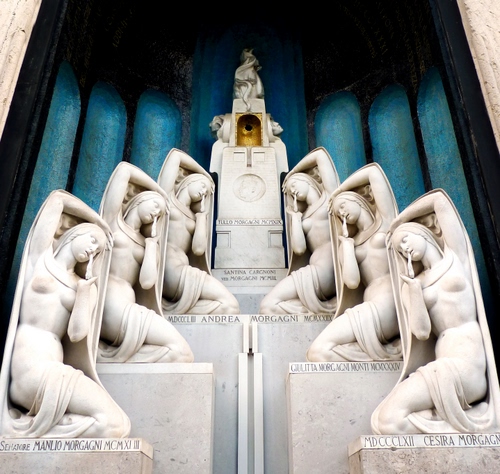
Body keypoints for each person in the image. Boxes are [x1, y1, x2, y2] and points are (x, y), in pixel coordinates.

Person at [0, 190, 130, 438]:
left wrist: (84, 292)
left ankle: (37, 429)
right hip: (29, 368)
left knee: (117, 425)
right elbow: (57, 200)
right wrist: (99, 222)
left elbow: (77, 334)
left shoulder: (83, 286)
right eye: (93, 240)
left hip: (55, 369)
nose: (94, 250)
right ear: (75, 234)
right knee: (113, 424)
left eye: (99, 250)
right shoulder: (41, 260)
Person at [371, 189, 500, 433]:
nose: (404, 249)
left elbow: (439, 200)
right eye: (399, 250)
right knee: (386, 421)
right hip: (442, 364)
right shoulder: (413, 284)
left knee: (388, 420)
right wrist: (414, 291)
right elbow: (421, 332)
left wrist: (399, 221)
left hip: (468, 365)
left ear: (423, 233)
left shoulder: (455, 257)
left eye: (405, 240)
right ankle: (461, 417)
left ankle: (465, 418)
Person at [98, 161, 194, 362]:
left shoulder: (148, 244)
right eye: (155, 206)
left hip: (129, 307)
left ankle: (110, 357)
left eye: (161, 214)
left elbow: (147, 282)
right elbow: (124, 170)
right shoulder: (113, 224)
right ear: (140, 200)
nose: (156, 214)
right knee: (180, 351)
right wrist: (160, 192)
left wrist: (151, 245)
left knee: (181, 353)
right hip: (111, 306)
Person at [307, 163, 401, 361]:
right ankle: (386, 352)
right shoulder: (349, 244)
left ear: (357, 200)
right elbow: (351, 282)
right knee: (318, 352)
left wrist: (337, 192)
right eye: (337, 214)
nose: (341, 213)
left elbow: (373, 172)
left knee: (320, 350)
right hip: (371, 305)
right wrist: (347, 247)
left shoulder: (384, 224)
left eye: (343, 206)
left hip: (389, 303)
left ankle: (384, 350)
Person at [158, 148, 240, 314]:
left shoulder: (194, 218)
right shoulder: (168, 202)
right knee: (229, 304)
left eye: (208, 192)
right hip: (170, 270)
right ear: (189, 181)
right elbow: (175, 156)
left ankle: (174, 312)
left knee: (229, 307)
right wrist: (206, 175)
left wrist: (202, 218)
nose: (204, 192)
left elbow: (198, 250)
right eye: (203, 186)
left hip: (184, 272)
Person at [259, 147, 339, 314]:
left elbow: (320, 155)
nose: (292, 190)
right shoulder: (302, 217)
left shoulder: (329, 200)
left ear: (307, 180)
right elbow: (299, 249)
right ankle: (321, 308)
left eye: (293, 185)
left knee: (269, 304)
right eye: (288, 191)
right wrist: (295, 219)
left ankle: (322, 307)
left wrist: (292, 173)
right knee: (268, 307)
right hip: (313, 272)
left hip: (325, 271)